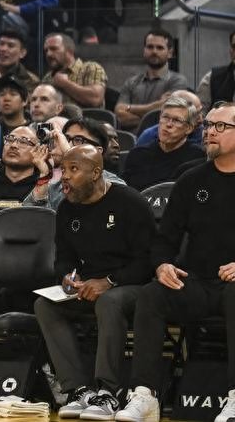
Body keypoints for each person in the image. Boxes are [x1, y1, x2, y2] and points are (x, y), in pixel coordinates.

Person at [115, 102, 235, 422]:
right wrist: (162, 265)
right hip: (196, 281)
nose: (210, 132)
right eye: (208, 125)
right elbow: (165, 239)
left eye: (221, 127)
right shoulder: (191, 179)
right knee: (152, 295)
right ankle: (145, 395)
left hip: (233, 286)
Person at [37, 146, 155, 422]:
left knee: (109, 301)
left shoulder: (131, 203)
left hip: (134, 286)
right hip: (89, 286)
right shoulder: (67, 208)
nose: (65, 177)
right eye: (63, 169)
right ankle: (78, 390)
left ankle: (108, 391)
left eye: (74, 170)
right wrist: (67, 277)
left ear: (96, 173)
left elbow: (149, 260)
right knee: (45, 305)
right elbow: (63, 258)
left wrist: (110, 281)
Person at [113, 31, 190, 132]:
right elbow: (119, 116)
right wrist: (155, 108)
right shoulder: (131, 82)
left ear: (170, 53)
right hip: (132, 142)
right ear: (144, 50)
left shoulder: (178, 81)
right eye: (150, 47)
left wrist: (128, 108)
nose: (154, 51)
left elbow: (171, 115)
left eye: (159, 48)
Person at [42, 34, 108, 111]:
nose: (48, 54)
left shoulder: (91, 68)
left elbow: (95, 99)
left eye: (54, 49)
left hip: (87, 121)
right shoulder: (48, 78)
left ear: (69, 51)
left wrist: (65, 84)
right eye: (46, 50)